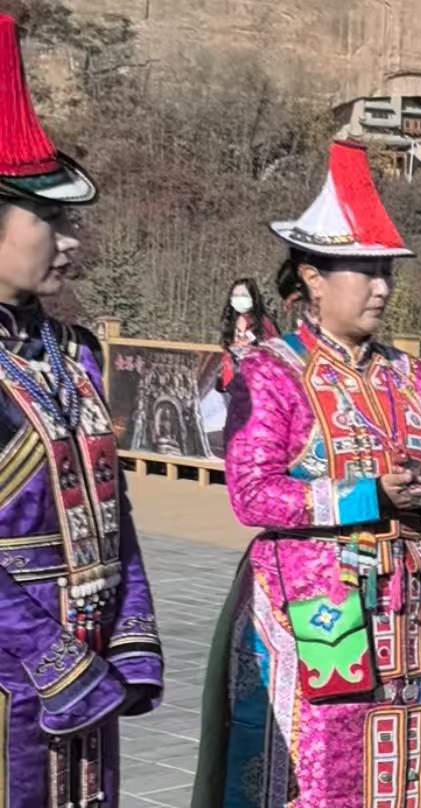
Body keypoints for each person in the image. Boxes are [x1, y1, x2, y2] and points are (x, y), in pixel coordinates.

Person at [192, 140, 421, 808]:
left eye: (387, 272)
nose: (382, 287)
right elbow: (252, 494)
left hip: (409, 612)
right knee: (323, 774)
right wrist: (369, 494)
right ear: (313, 278)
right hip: (317, 613)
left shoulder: (408, 374)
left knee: (411, 765)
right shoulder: (271, 372)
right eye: (365, 271)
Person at [0, 13, 163, 806]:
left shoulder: (75, 351)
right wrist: (50, 657)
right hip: (17, 670)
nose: (69, 241)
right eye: (50, 220)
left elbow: (112, 508)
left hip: (85, 668)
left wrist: (129, 637)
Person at [216, 277, 279, 392]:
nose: (239, 299)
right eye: (235, 295)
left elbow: (274, 351)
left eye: (243, 295)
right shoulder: (231, 323)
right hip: (235, 385)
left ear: (253, 297)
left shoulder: (264, 322)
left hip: (259, 384)